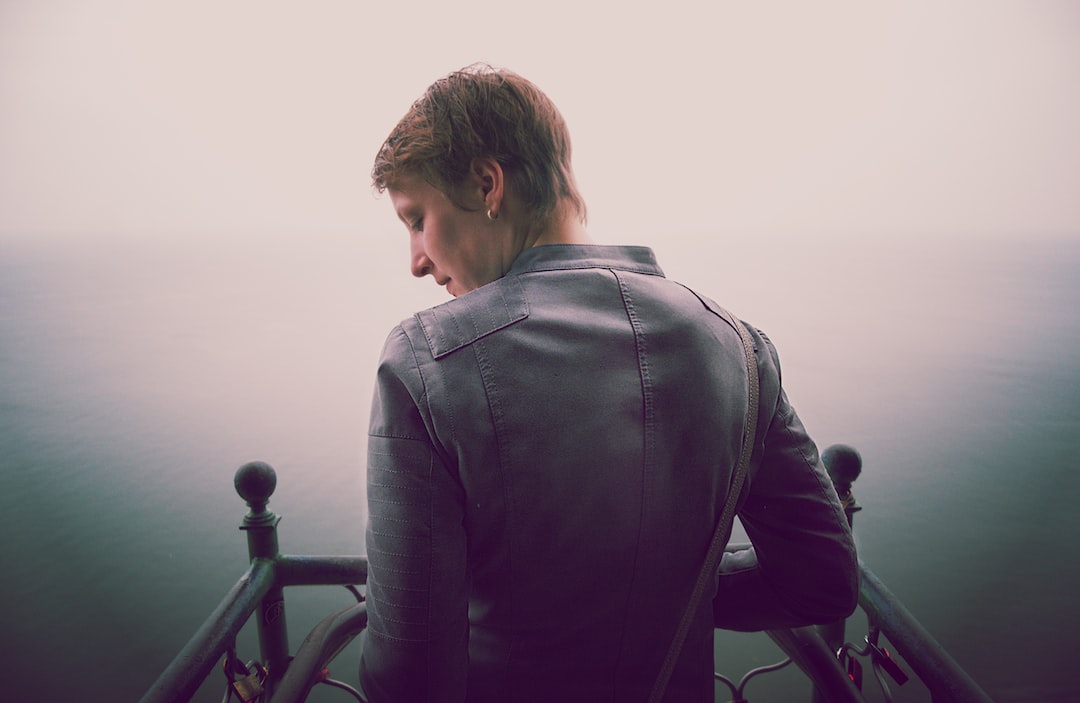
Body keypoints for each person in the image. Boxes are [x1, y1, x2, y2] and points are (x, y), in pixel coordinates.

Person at [358, 63, 858, 703]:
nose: (416, 262)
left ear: (488, 184)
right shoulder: (739, 345)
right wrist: (670, 589)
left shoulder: (427, 362)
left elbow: (410, 681)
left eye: (416, 219)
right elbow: (822, 582)